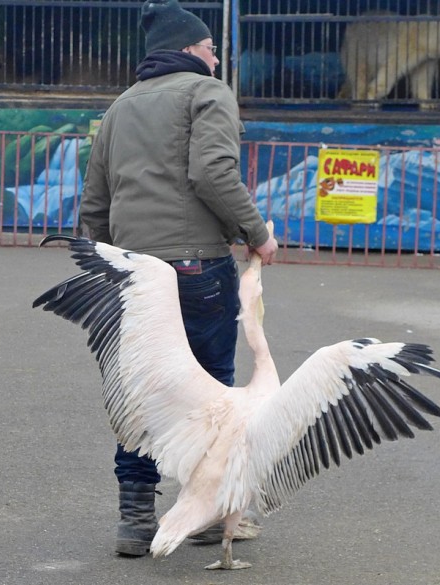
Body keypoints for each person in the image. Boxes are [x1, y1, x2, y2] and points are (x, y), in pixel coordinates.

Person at [79, 0, 278, 558]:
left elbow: (94, 203)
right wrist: (257, 233)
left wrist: (106, 269)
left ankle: (136, 519)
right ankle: (211, 518)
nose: (216, 57)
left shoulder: (120, 107)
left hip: (132, 278)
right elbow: (212, 170)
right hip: (194, 268)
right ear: (190, 50)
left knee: (143, 397)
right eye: (212, 48)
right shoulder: (206, 93)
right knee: (212, 396)